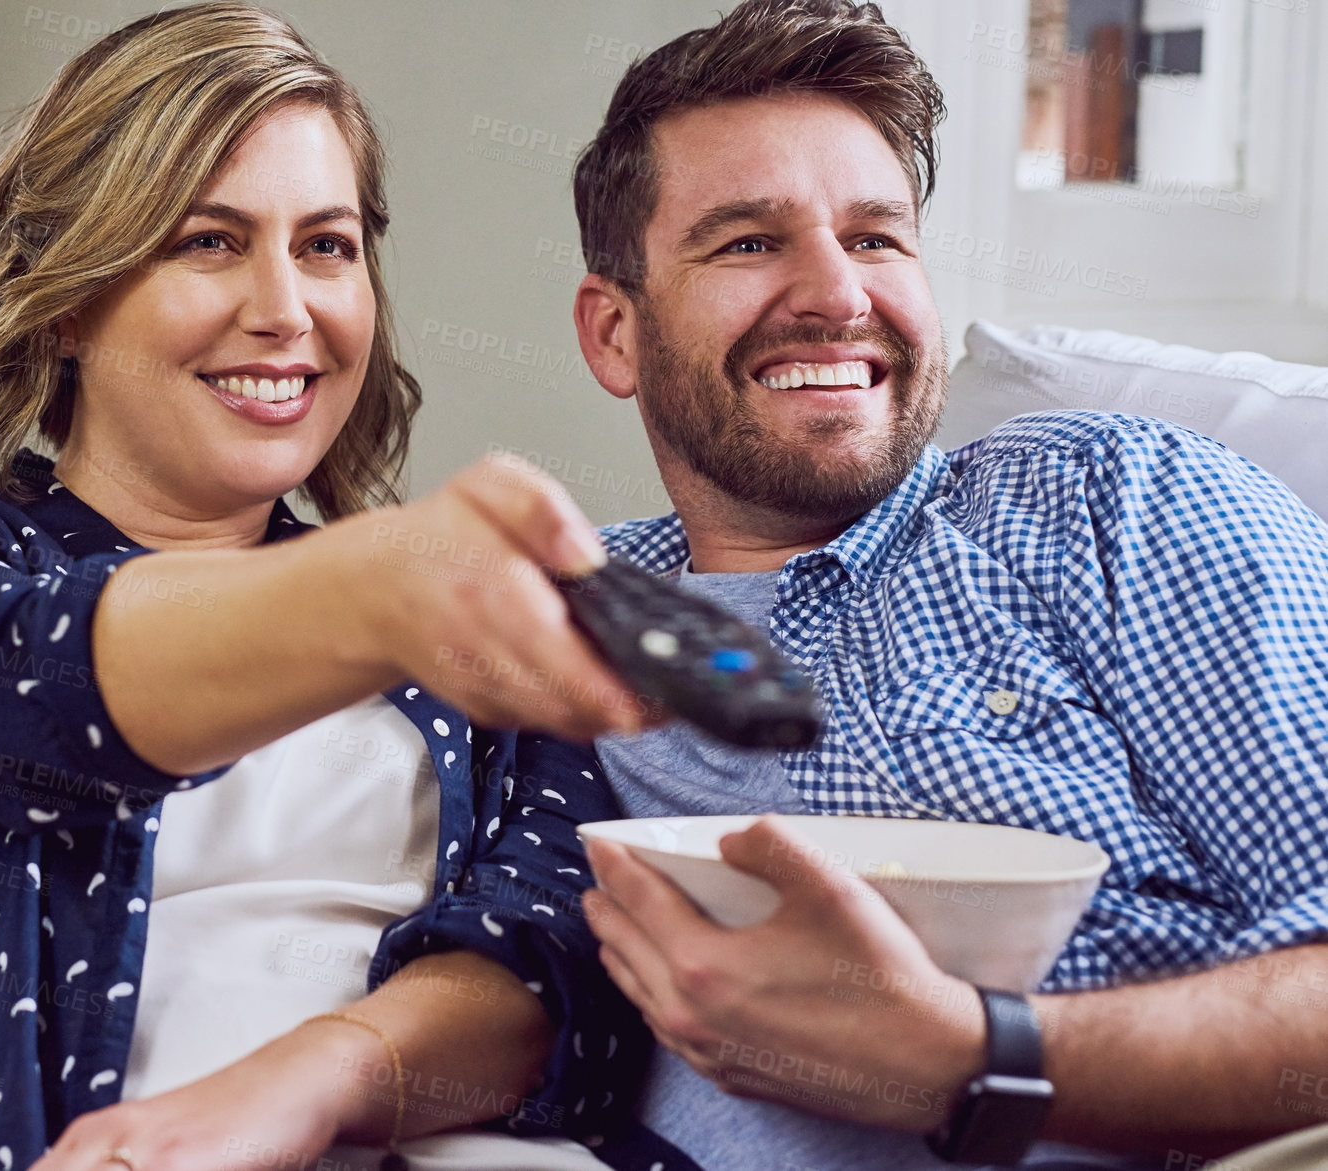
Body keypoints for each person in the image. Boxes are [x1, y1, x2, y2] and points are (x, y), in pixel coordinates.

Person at [0, 7, 672, 1170]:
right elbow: (40, 682)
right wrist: (378, 590)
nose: (285, 309)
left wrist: (296, 1085)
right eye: (207, 241)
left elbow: (544, 964)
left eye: (325, 246)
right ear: (70, 296)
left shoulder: (467, 633)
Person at [559, 2, 1328, 1169]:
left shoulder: (1113, 498)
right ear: (613, 334)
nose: (836, 294)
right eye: (747, 242)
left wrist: (973, 1058)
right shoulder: (548, 618)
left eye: (876, 238)